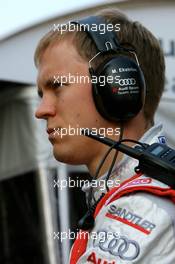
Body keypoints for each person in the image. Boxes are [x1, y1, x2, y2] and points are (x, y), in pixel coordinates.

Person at [34, 8, 175, 264]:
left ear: (119, 87)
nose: (41, 110)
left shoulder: (144, 208)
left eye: (57, 86)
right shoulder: (129, 195)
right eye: (41, 95)